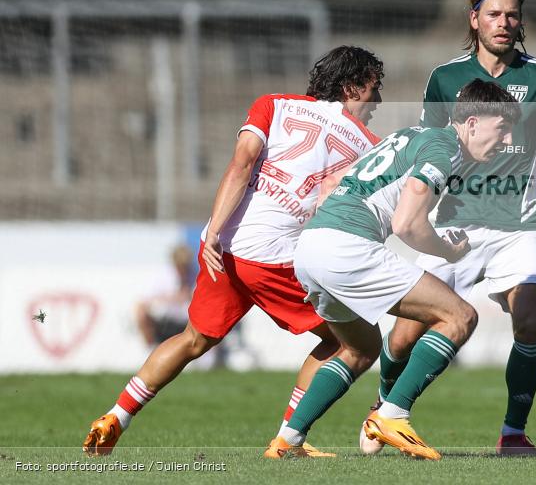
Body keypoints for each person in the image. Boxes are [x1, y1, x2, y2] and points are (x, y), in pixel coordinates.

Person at [363, 0, 536, 457]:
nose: (503, 23)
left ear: (520, 21)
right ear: (474, 20)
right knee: (404, 335)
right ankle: (383, 407)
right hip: (454, 223)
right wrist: (406, 210)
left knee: (529, 318)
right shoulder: (445, 78)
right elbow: (427, 149)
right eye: (493, 14)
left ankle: (513, 434)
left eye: (511, 15)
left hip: (519, 225)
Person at [82, 45, 383, 456]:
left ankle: (116, 415)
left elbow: (241, 163)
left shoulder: (272, 104)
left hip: (223, 249)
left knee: (192, 339)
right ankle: (288, 439)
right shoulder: (368, 143)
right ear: (351, 88)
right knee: (355, 343)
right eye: (373, 88)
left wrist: (213, 234)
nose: (378, 100)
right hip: (276, 257)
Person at [266, 79, 521, 461]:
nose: (506, 139)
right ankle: (392, 415)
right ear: (471, 123)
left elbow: (338, 182)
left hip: (312, 248)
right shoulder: (444, 147)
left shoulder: (411, 135)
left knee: (360, 348)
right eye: (501, 127)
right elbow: (406, 223)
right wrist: (448, 252)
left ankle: (287, 440)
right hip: (346, 247)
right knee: (459, 316)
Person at [134, 244, 194, 347]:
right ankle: (150, 349)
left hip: (187, 320)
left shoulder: (196, 276)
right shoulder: (162, 276)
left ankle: (206, 357)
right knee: (141, 312)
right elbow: (145, 300)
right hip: (165, 318)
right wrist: (172, 298)